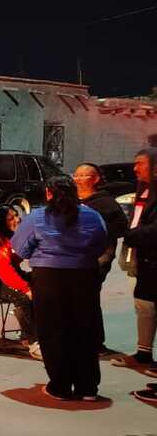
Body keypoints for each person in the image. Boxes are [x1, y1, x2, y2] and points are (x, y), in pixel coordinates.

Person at [12, 175, 107, 401]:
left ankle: (60, 386)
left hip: (48, 278)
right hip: (84, 276)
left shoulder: (37, 217)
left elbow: (20, 248)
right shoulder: (93, 216)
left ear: (48, 193)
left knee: (53, 330)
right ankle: (88, 388)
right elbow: (101, 244)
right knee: (84, 329)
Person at [73, 163, 129, 353]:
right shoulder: (70, 200)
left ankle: (94, 342)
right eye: (76, 175)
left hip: (97, 257)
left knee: (88, 297)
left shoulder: (106, 203)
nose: (78, 179)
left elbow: (121, 228)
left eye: (83, 175)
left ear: (95, 179)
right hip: (71, 257)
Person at [0, 206, 40, 359]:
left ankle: (29, 331)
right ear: (0, 223)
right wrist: (25, 288)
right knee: (22, 296)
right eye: (11, 218)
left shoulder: (10, 235)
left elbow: (16, 261)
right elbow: (3, 270)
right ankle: (33, 343)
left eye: (16, 216)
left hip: (5, 274)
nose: (17, 220)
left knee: (41, 282)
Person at [118, 148, 157, 383]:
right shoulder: (143, 189)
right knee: (144, 305)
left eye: (139, 163)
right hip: (143, 257)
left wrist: (133, 235)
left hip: (153, 257)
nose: (134, 168)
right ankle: (143, 353)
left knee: (149, 304)